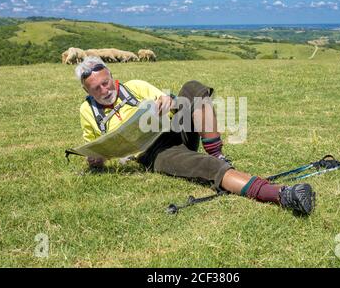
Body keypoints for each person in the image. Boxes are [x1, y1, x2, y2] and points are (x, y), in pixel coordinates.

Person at [75, 56, 316, 215]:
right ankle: (283, 194)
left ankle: (219, 154)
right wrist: (96, 160)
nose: (105, 90)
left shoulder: (134, 86)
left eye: (107, 83)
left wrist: (167, 100)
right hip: (156, 153)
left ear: (111, 76)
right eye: (97, 89)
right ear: (87, 90)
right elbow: (95, 147)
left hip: (173, 129)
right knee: (205, 166)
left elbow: (166, 100)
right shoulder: (87, 111)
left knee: (192, 88)